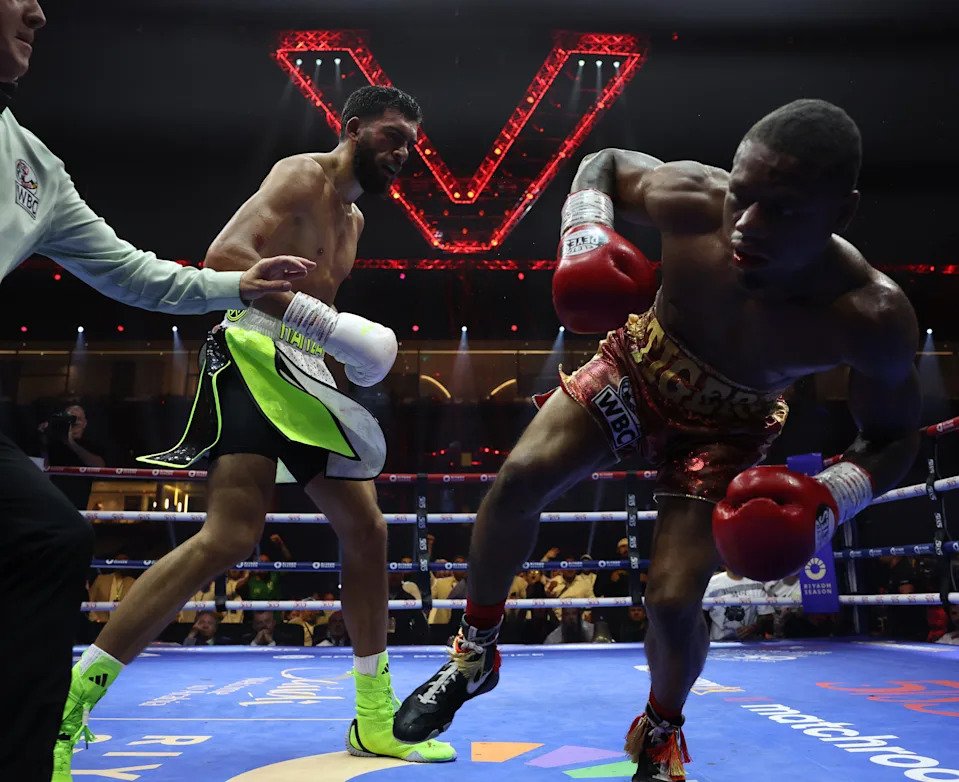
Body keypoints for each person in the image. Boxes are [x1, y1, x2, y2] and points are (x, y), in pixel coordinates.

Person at [394, 99, 921, 782]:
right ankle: (474, 654)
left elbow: (891, 435)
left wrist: (828, 500)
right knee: (519, 482)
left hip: (728, 427)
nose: (747, 226)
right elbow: (604, 162)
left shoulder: (868, 315)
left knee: (674, 602)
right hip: (639, 363)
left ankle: (661, 733)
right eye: (743, 195)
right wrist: (585, 230)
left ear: (839, 213)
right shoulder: (693, 199)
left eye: (782, 210)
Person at [53, 83, 454, 779]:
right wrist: (319, 321)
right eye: (391, 137)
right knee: (228, 539)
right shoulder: (301, 173)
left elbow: (322, 322)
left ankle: (373, 718)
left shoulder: (355, 226)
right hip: (247, 353)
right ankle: (67, 706)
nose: (402, 155)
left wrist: (346, 362)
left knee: (368, 530)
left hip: (305, 376)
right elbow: (223, 254)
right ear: (353, 127)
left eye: (411, 146)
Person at [0, 3, 313, 778]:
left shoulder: (30, 165)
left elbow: (130, 270)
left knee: (50, 537)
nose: (39, 11)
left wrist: (236, 286)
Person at [38, 403, 105, 510]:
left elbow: (100, 467)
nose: (74, 422)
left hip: (78, 500)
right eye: (71, 418)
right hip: (53, 497)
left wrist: (70, 442)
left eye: (78, 419)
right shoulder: (54, 443)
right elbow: (43, 468)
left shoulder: (91, 444)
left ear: (85, 423)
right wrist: (43, 439)